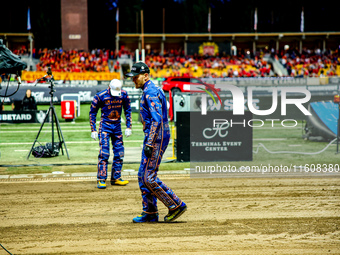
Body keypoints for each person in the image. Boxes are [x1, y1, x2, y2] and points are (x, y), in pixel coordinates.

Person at [125, 62, 187, 223]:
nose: (133, 81)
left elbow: (157, 119)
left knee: (148, 176)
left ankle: (176, 205)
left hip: (156, 137)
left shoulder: (150, 92)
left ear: (145, 76)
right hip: (157, 136)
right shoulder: (150, 90)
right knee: (142, 175)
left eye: (135, 77)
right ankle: (150, 212)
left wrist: (150, 143)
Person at [89, 79, 132, 189]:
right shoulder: (100, 96)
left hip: (117, 127)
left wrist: (129, 126)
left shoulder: (124, 94)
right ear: (109, 86)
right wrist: (93, 129)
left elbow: (128, 110)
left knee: (119, 153)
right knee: (104, 153)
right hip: (105, 127)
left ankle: (116, 178)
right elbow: (92, 112)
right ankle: (101, 179)